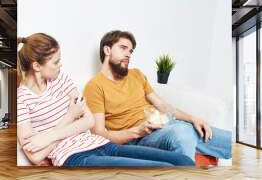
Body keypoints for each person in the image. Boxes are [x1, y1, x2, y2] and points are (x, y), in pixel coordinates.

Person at [16, 33, 195, 167]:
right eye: (56, 62)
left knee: (182, 161)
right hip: (75, 157)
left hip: (101, 144)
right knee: (163, 169)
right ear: (37, 66)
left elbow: (88, 120)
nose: (60, 65)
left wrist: (52, 134)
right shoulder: (22, 100)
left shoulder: (61, 78)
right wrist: (71, 118)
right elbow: (36, 156)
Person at [83, 30, 232, 164]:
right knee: (182, 132)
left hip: (166, 125)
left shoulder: (136, 74)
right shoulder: (94, 86)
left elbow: (163, 106)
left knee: (228, 140)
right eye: (123, 48)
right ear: (107, 49)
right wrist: (137, 131)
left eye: (131, 51)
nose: (129, 54)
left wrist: (193, 119)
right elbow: (99, 134)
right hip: (138, 138)